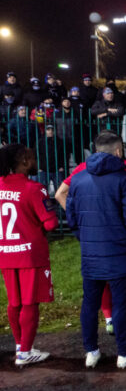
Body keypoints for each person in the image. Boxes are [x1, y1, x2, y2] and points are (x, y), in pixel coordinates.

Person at [54, 131, 126, 334]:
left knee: (99, 277)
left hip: (94, 232)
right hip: (120, 227)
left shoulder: (83, 168)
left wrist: (82, 216)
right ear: (119, 150)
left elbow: (59, 193)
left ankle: (109, 319)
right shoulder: (123, 165)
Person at [0, 144, 59, 366]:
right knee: (30, 303)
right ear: (24, 161)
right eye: (32, 158)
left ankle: (19, 345)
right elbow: (51, 223)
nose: (34, 161)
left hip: (5, 252)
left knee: (14, 302)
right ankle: (25, 351)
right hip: (30, 255)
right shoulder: (34, 188)